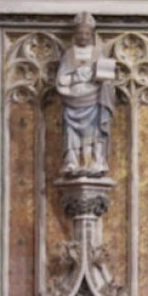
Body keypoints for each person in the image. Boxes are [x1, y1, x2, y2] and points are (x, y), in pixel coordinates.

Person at [55, 11, 115, 176]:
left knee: (93, 134)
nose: (83, 36)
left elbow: (106, 75)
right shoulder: (69, 55)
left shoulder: (97, 54)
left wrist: (103, 78)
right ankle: (72, 162)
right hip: (73, 99)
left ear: (91, 35)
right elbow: (61, 79)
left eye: (87, 33)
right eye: (80, 33)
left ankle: (95, 162)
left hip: (93, 99)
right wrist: (79, 75)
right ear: (75, 34)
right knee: (71, 134)